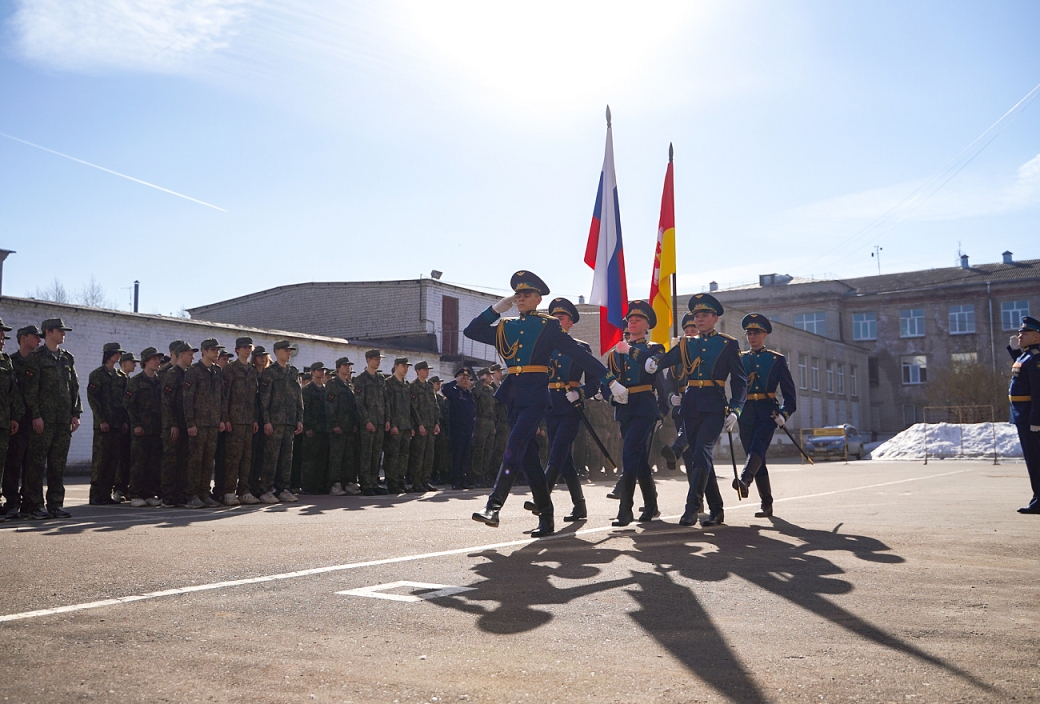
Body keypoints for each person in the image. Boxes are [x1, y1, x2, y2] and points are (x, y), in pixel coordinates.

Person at [465, 270, 624, 537]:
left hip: (536, 396)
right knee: (529, 459)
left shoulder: (548, 326)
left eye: (526, 294)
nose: (520, 298)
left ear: (538, 299)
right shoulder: (507, 326)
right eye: (518, 294)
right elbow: (472, 331)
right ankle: (547, 518)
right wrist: (496, 309)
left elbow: (580, 356)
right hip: (513, 395)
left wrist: (610, 380)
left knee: (514, 444)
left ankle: (493, 506)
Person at [650, 293, 747, 528]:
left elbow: (740, 380)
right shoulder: (686, 344)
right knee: (700, 457)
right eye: (696, 315)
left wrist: (736, 409)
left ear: (715, 318)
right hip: (691, 405)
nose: (700, 319)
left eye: (705, 315)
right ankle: (717, 510)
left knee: (702, 450)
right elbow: (664, 360)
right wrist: (652, 361)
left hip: (714, 405)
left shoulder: (728, 344)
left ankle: (692, 507)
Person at [520, 298, 596, 522]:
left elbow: (594, 382)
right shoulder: (543, 347)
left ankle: (541, 498)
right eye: (553, 318)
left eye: (561, 318)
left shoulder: (580, 348)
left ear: (570, 323)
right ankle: (579, 505)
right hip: (549, 406)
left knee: (557, 453)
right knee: (564, 458)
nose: (556, 321)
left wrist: (580, 392)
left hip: (571, 407)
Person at [607, 300, 665, 526]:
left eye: (638, 319)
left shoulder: (654, 349)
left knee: (629, 452)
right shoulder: (616, 353)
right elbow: (608, 379)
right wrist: (612, 394)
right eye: (630, 319)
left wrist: (630, 350)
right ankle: (651, 505)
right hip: (625, 408)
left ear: (647, 325)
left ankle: (625, 509)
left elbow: (654, 366)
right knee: (638, 459)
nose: (632, 321)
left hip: (644, 407)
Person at [733, 314, 797, 518]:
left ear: (764, 335)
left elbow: (790, 394)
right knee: (756, 457)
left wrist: (784, 414)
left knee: (757, 449)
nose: (752, 337)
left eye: (756, 333)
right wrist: (732, 409)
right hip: (746, 413)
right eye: (749, 333)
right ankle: (766, 504)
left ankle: (744, 480)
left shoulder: (777, 360)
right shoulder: (741, 359)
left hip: (767, 412)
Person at [22, 318, 83, 519]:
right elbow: (30, 390)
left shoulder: (67, 358)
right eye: (60, 331)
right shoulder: (36, 357)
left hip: (62, 421)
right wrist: (36, 415)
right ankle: (34, 505)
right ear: (48, 332)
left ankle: (55, 504)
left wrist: (75, 414)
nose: (63, 334)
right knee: (36, 463)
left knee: (58, 465)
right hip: (43, 420)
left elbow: (74, 387)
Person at [258, 340, 304, 503]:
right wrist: (266, 421)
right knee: (271, 457)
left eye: (289, 350)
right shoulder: (270, 372)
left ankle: (283, 488)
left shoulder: (293, 372)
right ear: (276, 352)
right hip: (275, 421)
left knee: (286, 457)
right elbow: (264, 399)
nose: (288, 353)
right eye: (285, 350)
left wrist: (299, 418)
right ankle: (266, 489)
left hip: (289, 420)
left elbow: (298, 397)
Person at [2, 325, 39, 520]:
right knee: (13, 464)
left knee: (33, 465)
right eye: (35, 336)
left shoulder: (39, 362)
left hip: (35, 420)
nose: (39, 339)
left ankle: (30, 504)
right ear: (23, 338)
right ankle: (12, 503)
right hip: (16, 421)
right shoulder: (11, 361)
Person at [183, 338, 225, 509]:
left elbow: (221, 397)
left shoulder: (217, 371)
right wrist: (190, 423)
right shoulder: (194, 371)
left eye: (217, 350)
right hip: (198, 423)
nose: (216, 353)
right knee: (196, 460)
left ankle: (204, 494)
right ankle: (192, 495)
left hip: (213, 423)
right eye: (213, 350)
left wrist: (221, 419)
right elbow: (187, 399)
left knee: (208, 461)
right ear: (204, 351)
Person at [87, 341, 128, 505]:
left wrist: (124, 421)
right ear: (108, 354)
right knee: (100, 460)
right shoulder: (97, 375)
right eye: (116, 353)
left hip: (117, 424)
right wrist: (101, 420)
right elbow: (93, 399)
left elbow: (125, 401)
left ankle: (106, 494)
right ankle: (95, 494)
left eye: (119, 353)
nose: (118, 356)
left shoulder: (121, 377)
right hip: (103, 425)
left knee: (113, 460)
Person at [222, 337, 260, 505]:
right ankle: (229, 491)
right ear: (237, 350)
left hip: (248, 420)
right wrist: (225, 418)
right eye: (243, 347)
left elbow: (255, 398)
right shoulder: (230, 369)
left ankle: (244, 490)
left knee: (247, 457)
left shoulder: (252, 370)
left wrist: (255, 419)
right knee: (233, 457)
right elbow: (224, 396)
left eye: (249, 347)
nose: (247, 350)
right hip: (234, 420)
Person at [125, 347, 164, 507]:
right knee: (138, 463)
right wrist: (136, 424)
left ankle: (148, 493)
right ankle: (135, 494)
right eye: (154, 359)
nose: (157, 362)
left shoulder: (159, 381)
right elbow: (129, 404)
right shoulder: (136, 381)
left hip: (156, 428)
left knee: (153, 463)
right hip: (141, 429)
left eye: (158, 359)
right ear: (146, 361)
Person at [1008, 316, 1040, 514]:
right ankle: (1037, 497)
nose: (1020, 336)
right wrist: (1015, 352)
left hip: (1030, 417)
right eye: (1020, 332)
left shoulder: (1036, 358)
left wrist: (1036, 419)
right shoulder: (1027, 356)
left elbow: (1038, 390)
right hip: (1022, 415)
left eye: (1024, 333)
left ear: (1036, 337)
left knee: (1036, 460)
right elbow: (1021, 372)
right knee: (1032, 460)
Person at [160, 341, 196, 508]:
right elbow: (167, 401)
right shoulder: (172, 374)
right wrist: (173, 423)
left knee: (183, 460)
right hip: (173, 424)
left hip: (185, 423)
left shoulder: (188, 373)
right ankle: (168, 495)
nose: (192, 358)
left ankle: (181, 494)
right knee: (170, 460)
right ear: (181, 355)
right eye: (190, 355)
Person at [354, 350, 389, 496]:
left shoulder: (381, 379)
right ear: (368, 360)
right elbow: (359, 403)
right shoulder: (360, 379)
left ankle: (374, 482)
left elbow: (385, 400)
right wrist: (366, 421)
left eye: (379, 359)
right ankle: (365, 484)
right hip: (368, 423)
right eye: (375, 359)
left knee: (376, 454)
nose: (378, 361)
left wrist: (387, 419)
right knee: (366, 454)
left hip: (380, 421)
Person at [0, 319, 25, 524]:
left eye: (3, 336)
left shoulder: (5, 361)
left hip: (3, 422)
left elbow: (13, 392)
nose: (2, 340)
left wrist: (15, 416)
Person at [325, 356, 361, 496]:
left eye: (349, 365)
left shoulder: (349, 384)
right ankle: (335, 483)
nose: (347, 368)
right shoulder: (333, 383)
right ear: (338, 368)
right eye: (345, 365)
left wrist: (355, 424)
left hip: (349, 427)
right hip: (338, 427)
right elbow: (330, 405)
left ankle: (348, 482)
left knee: (348, 458)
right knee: (336, 457)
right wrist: (334, 424)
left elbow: (353, 406)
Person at [384, 357, 416, 494]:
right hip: (395, 425)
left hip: (406, 426)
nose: (406, 368)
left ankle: (401, 481)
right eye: (403, 366)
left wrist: (412, 426)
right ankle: (392, 482)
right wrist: (392, 423)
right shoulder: (389, 383)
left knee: (404, 455)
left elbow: (410, 407)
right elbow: (388, 405)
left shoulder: (406, 384)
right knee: (392, 455)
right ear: (396, 366)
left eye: (407, 366)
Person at [441, 368, 475, 490]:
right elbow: (445, 389)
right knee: (457, 456)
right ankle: (455, 480)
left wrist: (472, 429)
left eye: (467, 378)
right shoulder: (454, 392)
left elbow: (471, 413)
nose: (466, 381)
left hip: (467, 429)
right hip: (457, 429)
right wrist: (455, 381)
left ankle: (463, 479)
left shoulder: (469, 395)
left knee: (466, 456)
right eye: (463, 378)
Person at [408, 360, 439, 493]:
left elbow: (434, 405)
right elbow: (413, 408)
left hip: (431, 425)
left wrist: (436, 422)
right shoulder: (413, 386)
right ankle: (417, 482)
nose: (427, 372)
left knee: (429, 455)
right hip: (420, 426)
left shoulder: (429, 386)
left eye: (428, 370)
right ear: (418, 371)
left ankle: (425, 480)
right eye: (425, 370)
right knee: (418, 455)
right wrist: (419, 424)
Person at [301, 362, 332, 494]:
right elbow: (304, 410)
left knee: (322, 459)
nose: (321, 372)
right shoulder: (307, 390)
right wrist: (307, 427)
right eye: (319, 370)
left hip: (324, 429)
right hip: (312, 429)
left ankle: (320, 485)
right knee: (310, 459)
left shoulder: (326, 390)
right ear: (312, 372)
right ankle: (308, 486)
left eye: (323, 370)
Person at [112, 351, 139, 502]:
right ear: (123, 364)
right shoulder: (118, 380)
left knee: (130, 458)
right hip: (121, 424)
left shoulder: (131, 380)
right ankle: (118, 488)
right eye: (132, 362)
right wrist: (122, 421)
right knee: (121, 458)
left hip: (130, 423)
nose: (135, 365)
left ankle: (126, 487)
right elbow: (119, 403)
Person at [248, 345, 271, 500]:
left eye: (264, 356)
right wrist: (255, 418)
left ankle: (262, 486)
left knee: (264, 455)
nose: (262, 358)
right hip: (254, 419)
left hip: (268, 419)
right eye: (259, 356)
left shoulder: (269, 374)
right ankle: (251, 486)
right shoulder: (252, 373)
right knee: (253, 455)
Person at [471, 367, 497, 487]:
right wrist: (480, 381)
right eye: (488, 375)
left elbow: (493, 408)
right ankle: (477, 475)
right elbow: (475, 394)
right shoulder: (477, 387)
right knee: (479, 449)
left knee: (488, 450)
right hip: (480, 421)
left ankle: (484, 474)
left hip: (490, 422)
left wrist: (494, 424)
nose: (490, 377)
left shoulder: (491, 389)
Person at [488, 363, 509, 480]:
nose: (500, 373)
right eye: (498, 371)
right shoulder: (490, 388)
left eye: (501, 371)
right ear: (492, 374)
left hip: (504, 422)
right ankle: (492, 474)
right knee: (495, 449)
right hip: (496, 422)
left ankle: (499, 474)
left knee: (503, 449)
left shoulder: (502, 388)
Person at [430, 376, 451, 486]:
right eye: (436, 383)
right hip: (431, 427)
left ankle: (438, 474)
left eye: (439, 383)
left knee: (440, 454)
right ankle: (431, 475)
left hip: (441, 429)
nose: (438, 385)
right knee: (431, 454)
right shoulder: (429, 397)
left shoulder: (440, 398)